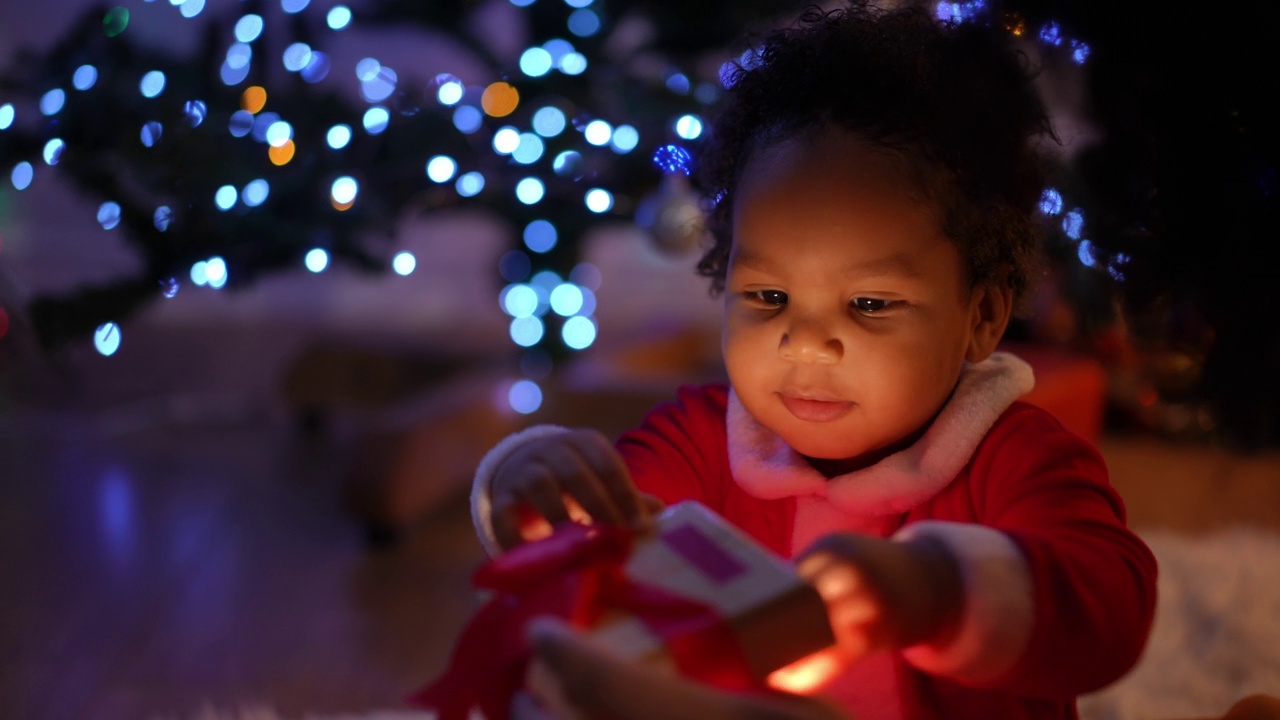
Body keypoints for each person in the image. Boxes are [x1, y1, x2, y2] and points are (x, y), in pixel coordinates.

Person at [467, 1, 1159, 718]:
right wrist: (537, 479)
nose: (806, 341)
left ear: (980, 317)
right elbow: (603, 535)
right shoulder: (700, 443)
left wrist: (934, 589)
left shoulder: (1018, 460)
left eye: (869, 304)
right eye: (768, 295)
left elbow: (1110, 609)